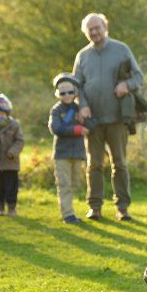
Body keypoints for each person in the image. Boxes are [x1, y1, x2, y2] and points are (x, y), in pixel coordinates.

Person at [73, 12, 144, 222]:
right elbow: (76, 86)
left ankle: (122, 207)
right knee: (94, 165)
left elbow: (138, 77)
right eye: (90, 29)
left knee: (119, 164)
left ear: (105, 27)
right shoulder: (82, 56)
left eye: (97, 27)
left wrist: (126, 85)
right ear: (86, 32)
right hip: (92, 121)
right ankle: (94, 207)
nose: (94, 32)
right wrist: (82, 106)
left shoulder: (121, 49)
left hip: (118, 118)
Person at [48, 73, 94, 224]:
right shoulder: (56, 110)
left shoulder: (79, 108)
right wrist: (77, 129)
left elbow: (92, 126)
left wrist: (85, 118)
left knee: (74, 184)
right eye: (63, 93)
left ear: (75, 92)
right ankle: (68, 214)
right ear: (58, 94)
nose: (67, 95)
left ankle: (69, 211)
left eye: (70, 92)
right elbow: (56, 128)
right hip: (62, 154)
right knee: (64, 185)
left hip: (78, 153)